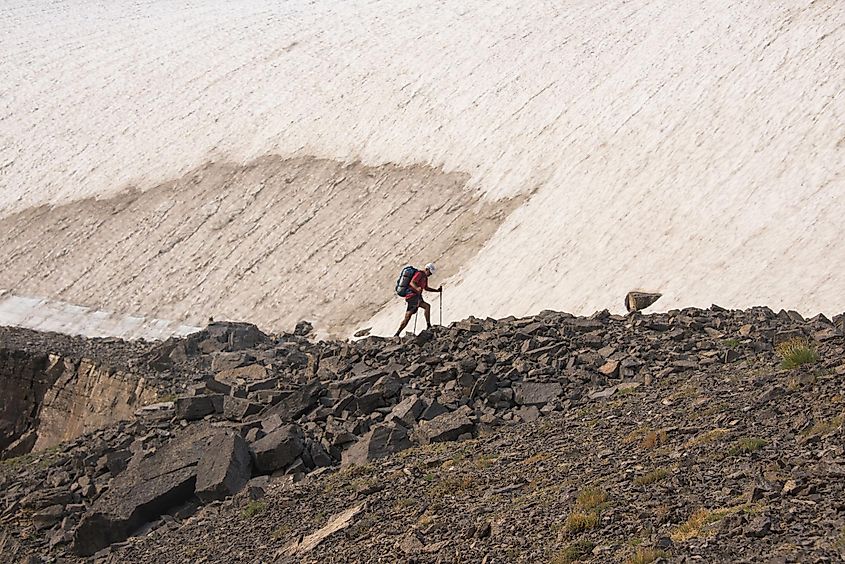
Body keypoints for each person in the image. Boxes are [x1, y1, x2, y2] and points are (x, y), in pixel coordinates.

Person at [394, 262, 442, 336]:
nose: (430, 275)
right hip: (412, 296)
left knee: (411, 314)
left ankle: (397, 333)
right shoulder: (420, 274)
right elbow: (412, 282)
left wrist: (437, 291)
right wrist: (417, 288)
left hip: (416, 296)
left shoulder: (425, 277)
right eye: (430, 273)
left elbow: (426, 288)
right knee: (412, 314)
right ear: (427, 269)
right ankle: (428, 325)